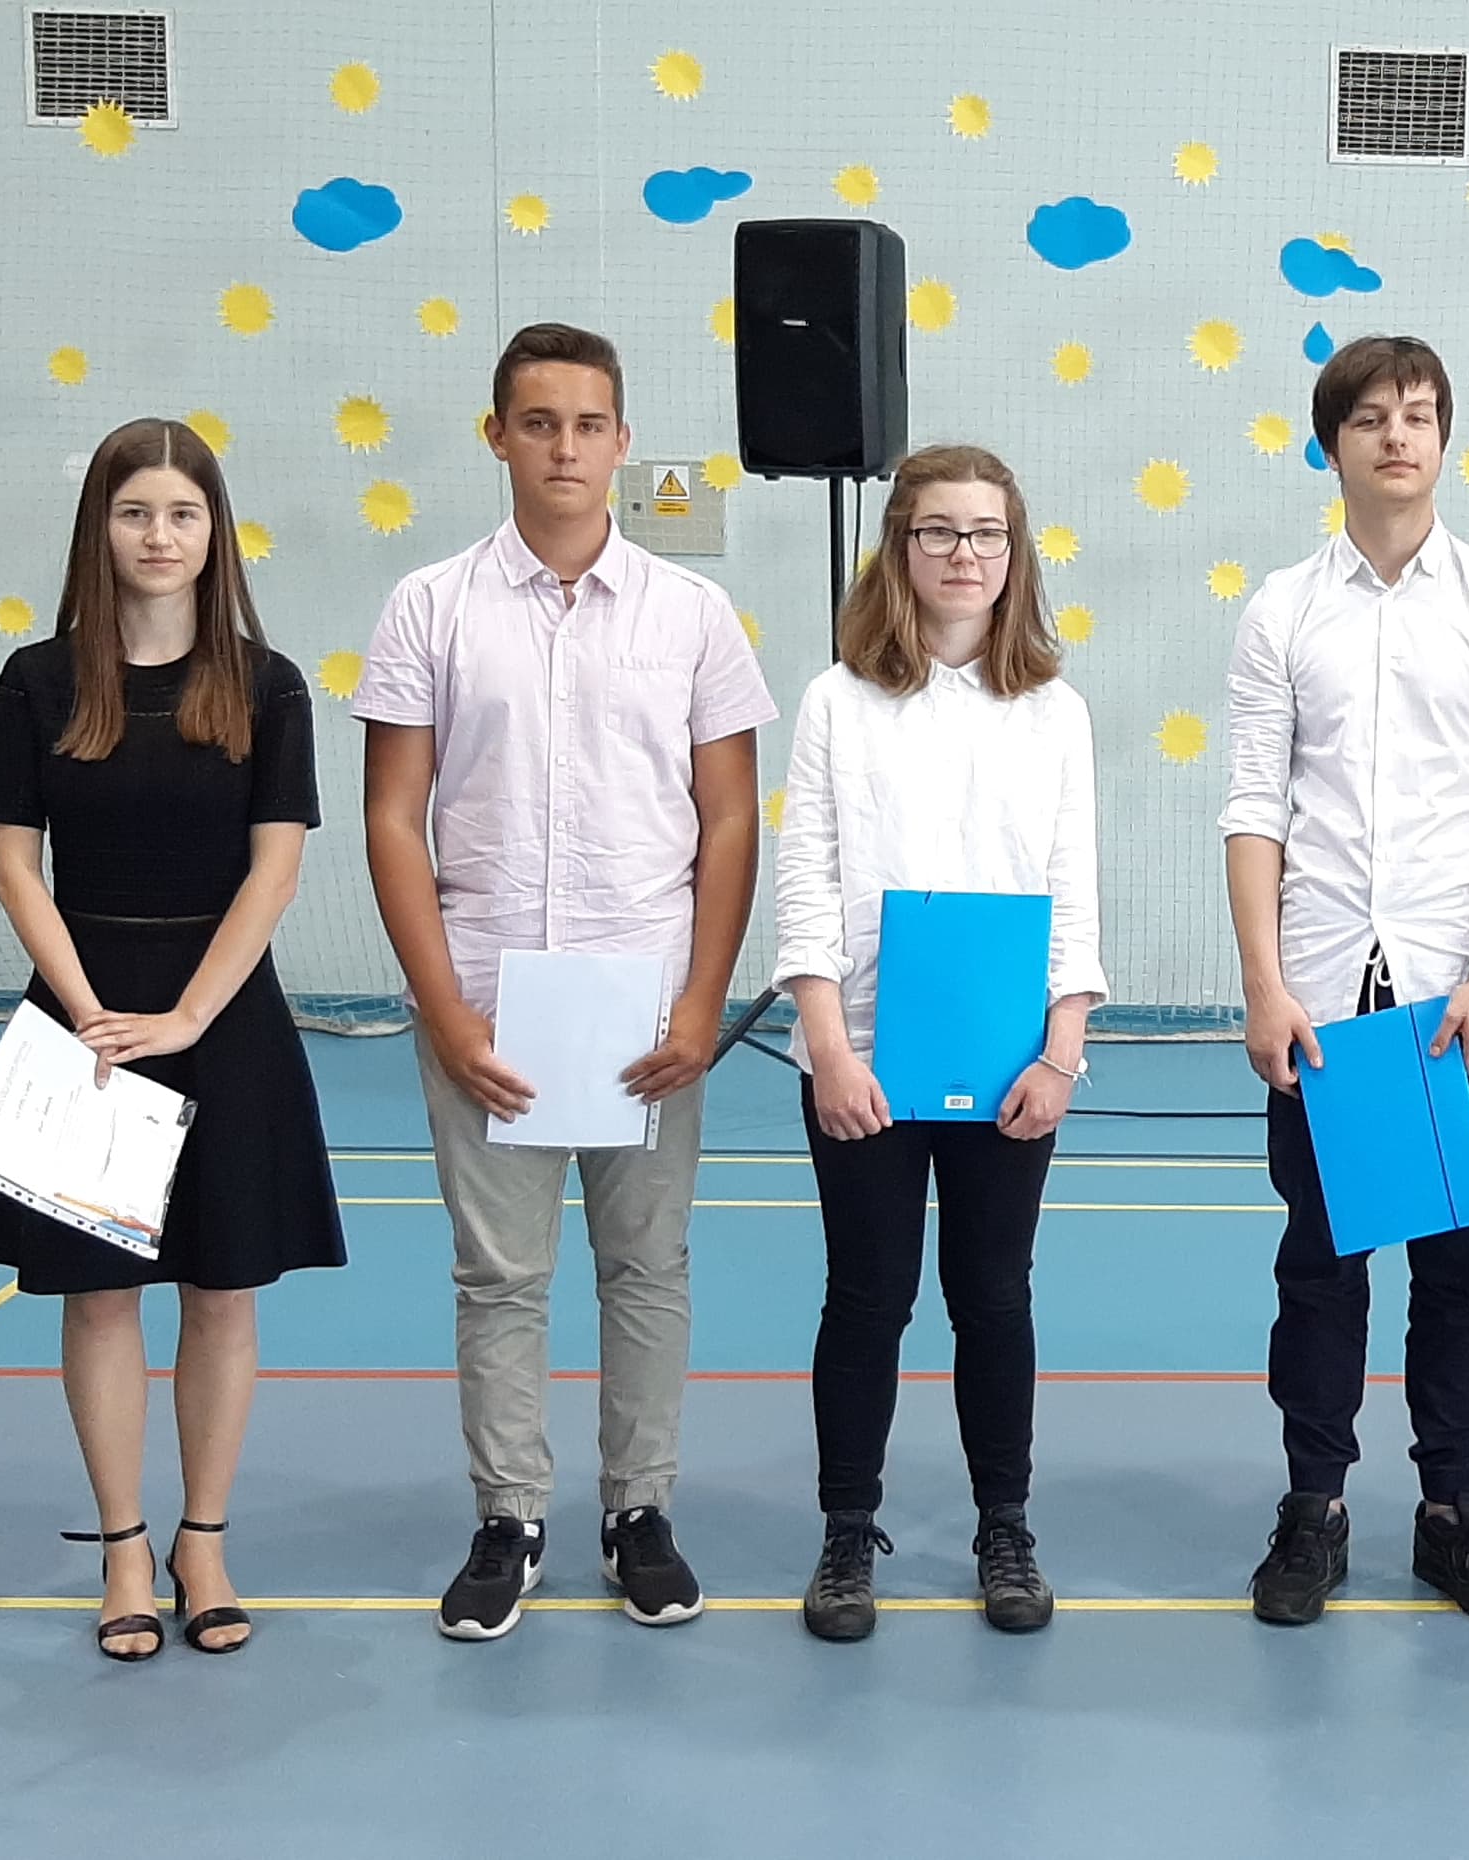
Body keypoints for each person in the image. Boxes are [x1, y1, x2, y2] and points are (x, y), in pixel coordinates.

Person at [353, 323, 774, 1640]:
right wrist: (444, 1010)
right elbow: (390, 816)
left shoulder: (691, 615)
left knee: (647, 1268)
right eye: (538, 423)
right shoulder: (428, 607)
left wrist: (702, 1002)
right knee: (499, 1279)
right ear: (497, 437)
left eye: (589, 425)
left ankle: (640, 1510)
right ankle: (509, 1515)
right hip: (488, 1004)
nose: (565, 449)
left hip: (648, 1009)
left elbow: (731, 820)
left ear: (623, 442)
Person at [0, 417, 344, 1660]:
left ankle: (204, 1541)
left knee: (222, 1293)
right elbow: (15, 864)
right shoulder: (37, 681)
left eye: (184, 514)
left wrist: (187, 1015)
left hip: (221, 1014)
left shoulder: (268, 685)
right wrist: (84, 1007)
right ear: (101, 527)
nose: (160, 536)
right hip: (82, 1014)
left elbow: (275, 871)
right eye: (136, 512)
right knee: (98, 1298)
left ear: (215, 532)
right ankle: (124, 1547)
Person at [1223, 336, 1469, 1628]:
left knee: (1462, 1274)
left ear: (1444, 437)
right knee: (1321, 1267)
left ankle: (1450, 1509)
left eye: (1419, 414)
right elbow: (1256, 808)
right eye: (1370, 418)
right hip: (1324, 998)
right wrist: (1266, 984)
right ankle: (1313, 1504)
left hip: (1463, 1002)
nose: (1397, 436)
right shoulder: (1280, 609)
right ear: (1333, 446)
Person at [770, 443, 1104, 1643]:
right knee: (868, 1297)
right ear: (901, 548)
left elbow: (1072, 891)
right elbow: (807, 881)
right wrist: (828, 1047)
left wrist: (1060, 1053)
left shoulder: (1054, 711)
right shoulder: (836, 701)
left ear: (1016, 554)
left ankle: (1003, 1526)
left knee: (993, 1295)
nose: (966, 554)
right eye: (940, 532)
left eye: (987, 533)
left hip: (1011, 1060)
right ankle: (846, 1530)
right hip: (864, 1054)